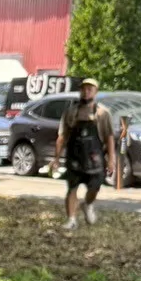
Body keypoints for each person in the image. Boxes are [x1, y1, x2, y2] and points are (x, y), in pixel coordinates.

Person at [50, 77, 116, 230]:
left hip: (95, 158)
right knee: (72, 188)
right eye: (84, 89)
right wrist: (57, 158)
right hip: (74, 157)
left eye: (89, 89)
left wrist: (111, 159)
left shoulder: (103, 113)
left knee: (94, 188)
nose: (86, 92)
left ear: (95, 92)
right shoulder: (71, 112)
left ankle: (88, 204)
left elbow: (110, 137)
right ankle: (71, 220)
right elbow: (62, 135)